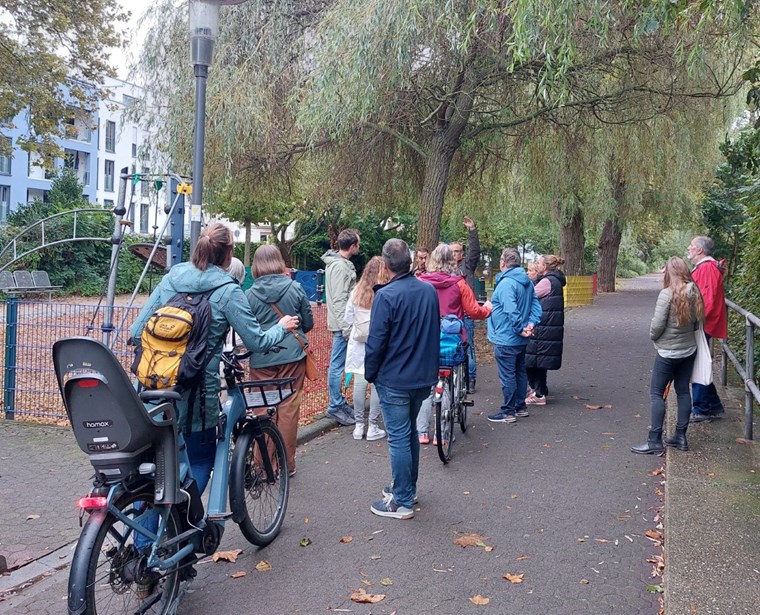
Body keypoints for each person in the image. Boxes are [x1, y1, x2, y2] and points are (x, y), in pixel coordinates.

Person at [129, 223, 299, 495]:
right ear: (229, 255)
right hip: (197, 398)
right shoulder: (228, 291)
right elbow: (257, 341)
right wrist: (283, 326)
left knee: (153, 465)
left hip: (152, 391)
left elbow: (136, 332)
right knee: (200, 459)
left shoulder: (171, 278)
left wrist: (168, 357)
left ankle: (148, 536)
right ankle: (186, 526)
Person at [365, 239, 440, 519]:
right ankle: (407, 488)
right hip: (422, 376)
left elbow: (376, 342)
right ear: (410, 261)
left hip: (395, 377)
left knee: (399, 436)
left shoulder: (386, 296)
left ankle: (402, 501)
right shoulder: (428, 291)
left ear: (385, 265)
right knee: (407, 433)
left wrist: (371, 373)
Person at [245, 245, 314, 477]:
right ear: (279, 262)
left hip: (261, 358)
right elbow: (308, 322)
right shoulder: (295, 288)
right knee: (288, 409)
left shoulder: (249, 294)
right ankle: (286, 464)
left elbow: (247, 331)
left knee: (262, 409)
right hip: (292, 356)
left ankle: (262, 465)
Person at [416, 244, 491, 444]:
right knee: (450, 378)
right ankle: (442, 432)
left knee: (426, 386)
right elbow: (474, 311)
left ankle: (423, 432)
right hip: (452, 340)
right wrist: (488, 309)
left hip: (425, 339)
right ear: (452, 260)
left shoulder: (420, 282)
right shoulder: (459, 284)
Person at [632, 257, 705, 454]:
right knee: (683, 391)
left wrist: (653, 338)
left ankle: (655, 440)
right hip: (688, 350)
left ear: (669, 273)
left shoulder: (666, 294)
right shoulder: (695, 292)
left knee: (656, 393)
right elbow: (699, 323)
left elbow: (657, 325)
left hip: (667, 352)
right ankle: (680, 437)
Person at [486, 248, 542, 424]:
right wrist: (531, 324)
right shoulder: (527, 282)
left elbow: (511, 310)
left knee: (508, 374)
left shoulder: (506, 284)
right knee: (519, 371)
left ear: (503, 263)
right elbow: (535, 305)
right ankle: (520, 406)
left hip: (506, 336)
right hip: (520, 337)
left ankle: (508, 411)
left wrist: (519, 328)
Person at [344, 256, 388, 441]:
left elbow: (347, 319)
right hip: (379, 344)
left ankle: (358, 425)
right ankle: (373, 426)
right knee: (376, 385)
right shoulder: (385, 292)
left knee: (360, 383)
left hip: (359, 344)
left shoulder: (356, 292)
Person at [321, 228, 361, 426]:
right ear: (352, 246)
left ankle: (338, 402)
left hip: (343, 323)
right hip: (341, 325)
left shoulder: (340, 264)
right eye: (358, 244)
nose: (359, 247)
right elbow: (338, 299)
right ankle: (335, 405)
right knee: (336, 366)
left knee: (339, 365)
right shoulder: (340, 267)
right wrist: (346, 327)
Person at [687, 236, 727, 423]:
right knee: (700, 362)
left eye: (692, 246)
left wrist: (694, 322)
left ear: (700, 251)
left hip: (703, 324)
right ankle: (713, 405)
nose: (689, 248)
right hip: (705, 323)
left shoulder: (707, 269)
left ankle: (702, 408)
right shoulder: (708, 268)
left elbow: (707, 301)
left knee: (697, 364)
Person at [525, 255, 566, 405]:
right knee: (539, 360)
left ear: (545, 266)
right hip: (549, 325)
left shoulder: (547, 281)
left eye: (539, 263)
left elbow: (530, 296)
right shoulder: (554, 280)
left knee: (535, 361)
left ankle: (538, 393)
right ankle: (539, 390)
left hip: (543, 326)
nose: (537, 265)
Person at [451, 216, 481, 392]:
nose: (455, 254)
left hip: (466, 313)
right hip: (450, 314)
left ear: (462, 254)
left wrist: (472, 231)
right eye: (452, 251)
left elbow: (475, 251)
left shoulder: (466, 266)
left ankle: (470, 378)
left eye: (457, 251)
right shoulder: (444, 269)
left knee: (468, 345)